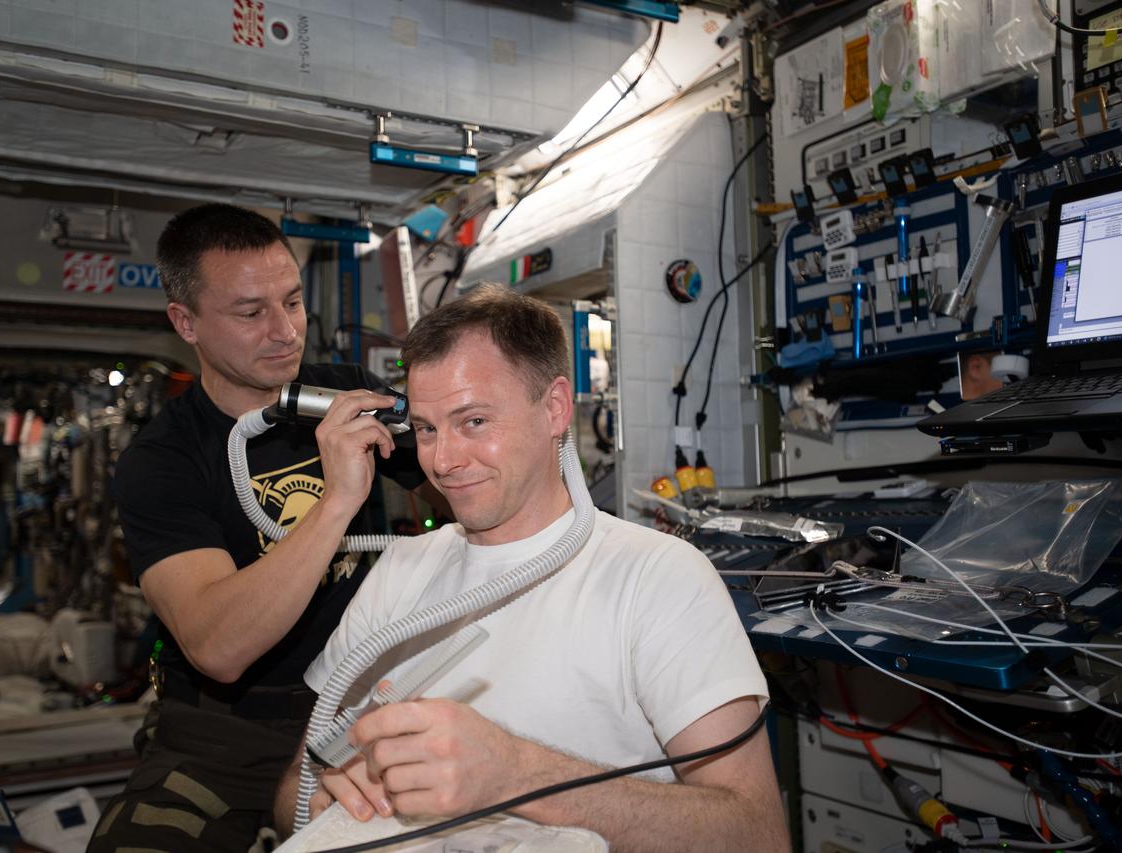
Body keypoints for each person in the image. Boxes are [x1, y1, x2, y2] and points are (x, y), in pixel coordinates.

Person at [273, 285, 789, 851]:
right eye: (426, 428)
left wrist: (517, 775)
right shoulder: (401, 571)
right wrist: (328, 802)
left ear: (555, 408)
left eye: (473, 421)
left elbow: (757, 834)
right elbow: (292, 793)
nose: (443, 460)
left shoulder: (658, 578)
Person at [90, 204, 424, 852]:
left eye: (293, 302)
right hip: (223, 733)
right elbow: (218, 646)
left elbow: (460, 482)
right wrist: (335, 502)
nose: (285, 331)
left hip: (357, 706)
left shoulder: (346, 395)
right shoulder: (162, 460)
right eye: (250, 313)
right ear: (185, 322)